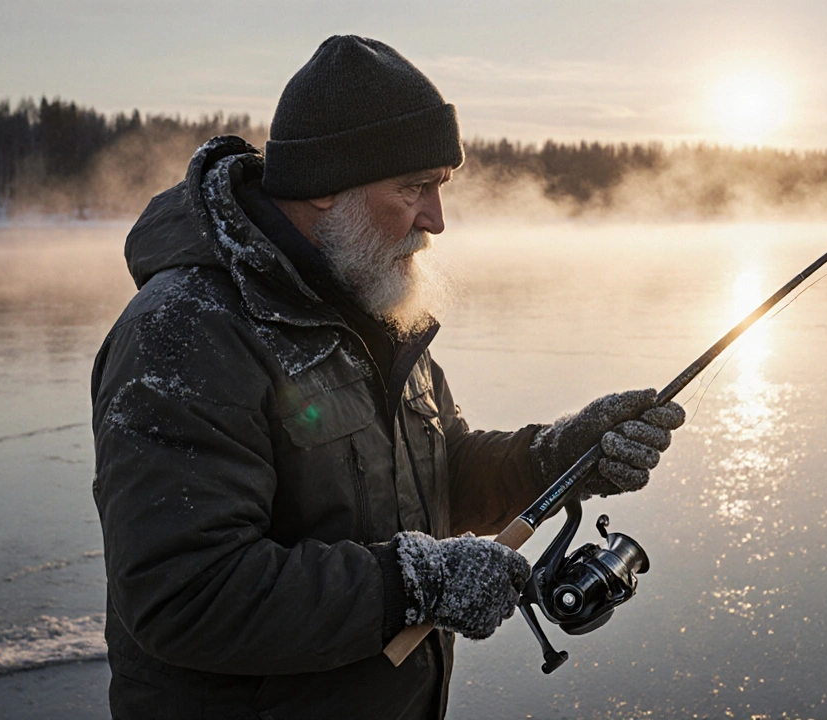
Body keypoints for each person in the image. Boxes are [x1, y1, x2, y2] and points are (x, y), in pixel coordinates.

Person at [91, 35, 685, 719]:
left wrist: (557, 458)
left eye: (440, 187)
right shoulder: (185, 333)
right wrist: (410, 585)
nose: (437, 220)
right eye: (414, 188)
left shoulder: (371, 297)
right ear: (323, 186)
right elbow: (185, 592)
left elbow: (436, 477)